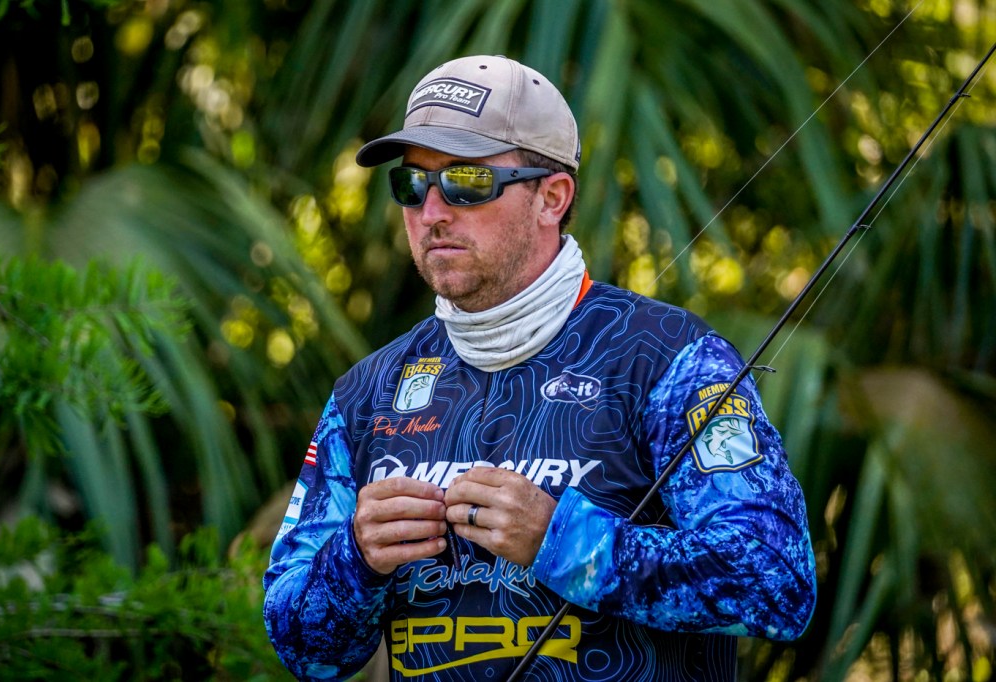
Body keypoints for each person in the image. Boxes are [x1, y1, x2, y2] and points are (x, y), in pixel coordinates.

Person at [263, 54, 816, 681]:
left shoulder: (672, 360)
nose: (432, 212)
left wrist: (565, 542)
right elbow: (302, 650)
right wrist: (356, 559)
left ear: (551, 197)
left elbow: (777, 584)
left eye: (467, 181)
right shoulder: (368, 391)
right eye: (412, 184)